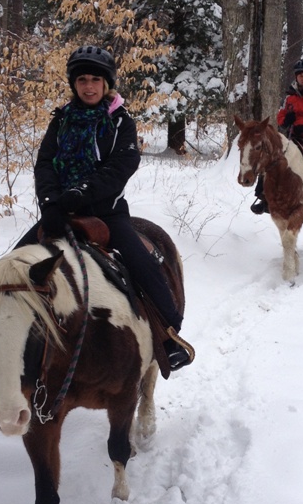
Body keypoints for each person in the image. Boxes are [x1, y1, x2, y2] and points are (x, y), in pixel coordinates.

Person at [16, 44, 194, 372]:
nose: (88, 86)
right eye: (81, 79)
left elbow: (123, 165)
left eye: (95, 79)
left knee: (145, 266)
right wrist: (50, 202)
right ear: (74, 84)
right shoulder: (60, 122)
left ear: (106, 84)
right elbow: (44, 164)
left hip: (107, 214)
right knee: (11, 270)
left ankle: (168, 336)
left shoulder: (120, 122)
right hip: (58, 213)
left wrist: (80, 194)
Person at [251, 57, 303, 223]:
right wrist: (286, 121)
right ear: (296, 77)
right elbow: (280, 115)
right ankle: (263, 197)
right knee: (271, 156)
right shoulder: (289, 96)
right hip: (294, 136)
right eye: (300, 75)